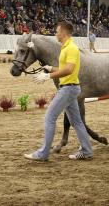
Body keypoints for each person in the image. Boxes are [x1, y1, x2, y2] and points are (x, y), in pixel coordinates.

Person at [25, 21, 93, 162]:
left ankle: (43, 154)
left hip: (68, 88)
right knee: (77, 122)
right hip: (69, 87)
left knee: (49, 118)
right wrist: (50, 68)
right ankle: (86, 150)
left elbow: (69, 70)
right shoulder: (65, 47)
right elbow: (63, 68)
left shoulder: (72, 48)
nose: (55, 33)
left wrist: (48, 76)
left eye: (57, 31)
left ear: (63, 32)